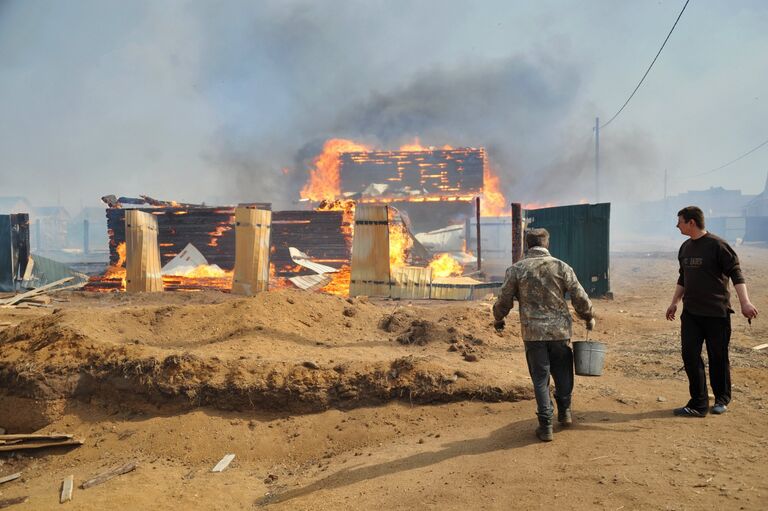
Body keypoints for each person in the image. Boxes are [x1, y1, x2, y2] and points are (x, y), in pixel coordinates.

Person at [493, 228, 595, 442]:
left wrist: (499, 318)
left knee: (540, 378)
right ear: (547, 243)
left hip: (533, 333)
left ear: (527, 244)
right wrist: (588, 316)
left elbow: (504, 300)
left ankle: (545, 424)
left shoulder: (516, 269)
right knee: (563, 371)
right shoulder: (561, 267)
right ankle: (565, 412)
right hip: (559, 332)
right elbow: (579, 296)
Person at [666, 206, 758, 417]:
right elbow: (683, 278)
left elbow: (736, 274)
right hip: (691, 313)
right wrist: (674, 302)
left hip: (716, 313)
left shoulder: (718, 246)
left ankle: (721, 399)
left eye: (679, 221)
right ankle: (698, 403)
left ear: (691, 222)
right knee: (689, 355)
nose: (677, 225)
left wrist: (745, 303)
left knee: (718, 357)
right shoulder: (685, 248)